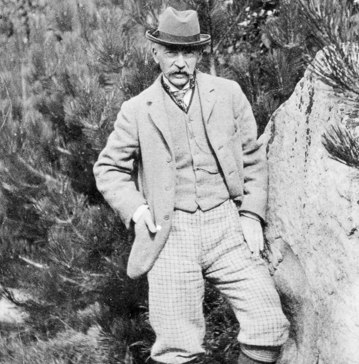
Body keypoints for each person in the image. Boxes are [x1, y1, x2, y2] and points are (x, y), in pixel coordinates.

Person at [93, 7, 289, 364]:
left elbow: (253, 159)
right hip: (170, 234)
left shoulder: (228, 94)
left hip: (227, 228)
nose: (180, 62)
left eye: (188, 52)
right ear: (155, 53)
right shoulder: (137, 110)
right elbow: (108, 169)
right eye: (171, 52)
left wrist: (250, 214)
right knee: (177, 347)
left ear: (200, 54)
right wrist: (137, 210)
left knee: (268, 325)